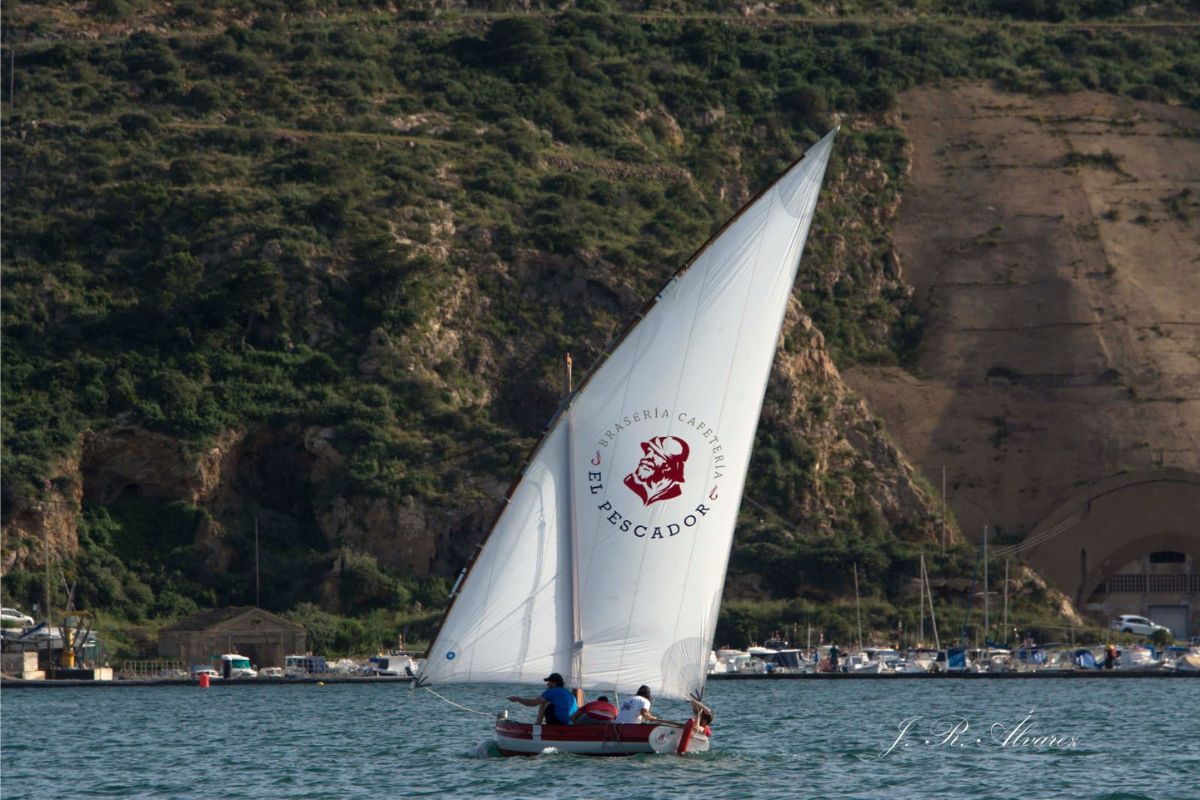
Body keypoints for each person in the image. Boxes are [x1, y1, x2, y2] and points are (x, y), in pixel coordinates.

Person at [507, 672, 578, 725]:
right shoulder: (569, 693)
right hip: (570, 723)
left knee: (543, 702)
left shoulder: (551, 691)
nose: (547, 684)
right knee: (548, 702)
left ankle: (538, 724)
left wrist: (518, 699)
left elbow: (532, 703)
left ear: (554, 683)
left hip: (558, 722)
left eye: (549, 682)